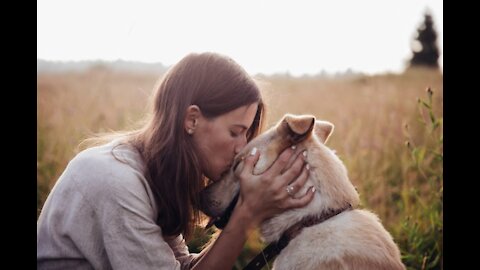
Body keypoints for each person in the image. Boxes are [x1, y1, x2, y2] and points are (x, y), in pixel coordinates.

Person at [37, 52, 315, 269]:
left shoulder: (155, 175)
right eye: (235, 132)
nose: (241, 149)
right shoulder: (116, 182)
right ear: (191, 119)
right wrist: (246, 214)